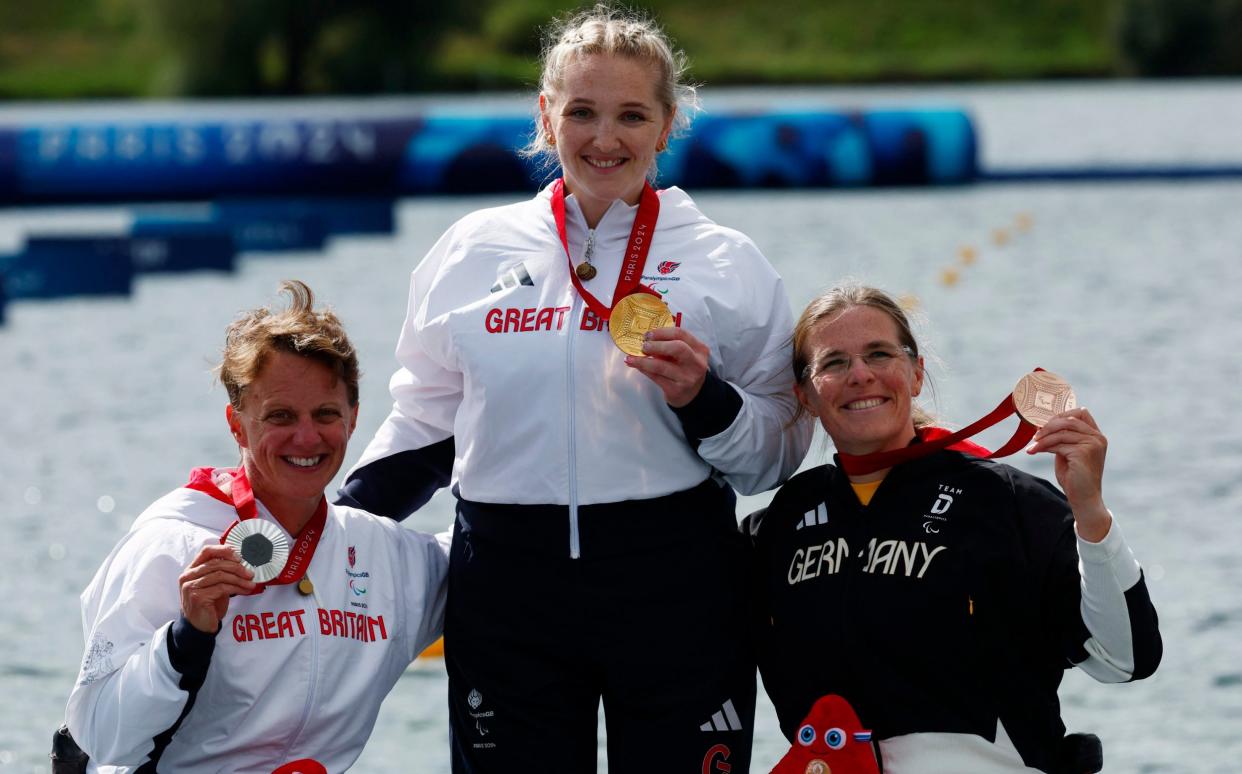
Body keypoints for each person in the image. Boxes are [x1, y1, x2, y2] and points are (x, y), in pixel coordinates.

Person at [336, 5, 812, 772]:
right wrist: (323, 526)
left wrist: (704, 398)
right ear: (545, 115)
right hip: (508, 589)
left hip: (675, 584)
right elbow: (425, 421)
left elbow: (775, 454)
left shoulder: (726, 261)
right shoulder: (470, 249)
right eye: (582, 112)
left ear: (667, 126)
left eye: (631, 115)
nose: (603, 138)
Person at [748, 284, 1162, 773]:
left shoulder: (1006, 503)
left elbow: (1125, 658)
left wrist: (1090, 512)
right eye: (834, 363)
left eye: (879, 354)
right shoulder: (778, 526)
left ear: (916, 373)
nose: (860, 375)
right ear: (806, 394)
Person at [62, 280, 448, 772]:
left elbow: (507, 556)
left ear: (353, 418)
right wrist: (183, 641)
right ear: (237, 424)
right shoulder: (172, 542)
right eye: (280, 416)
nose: (306, 437)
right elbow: (99, 736)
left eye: (326, 413)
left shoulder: (388, 558)